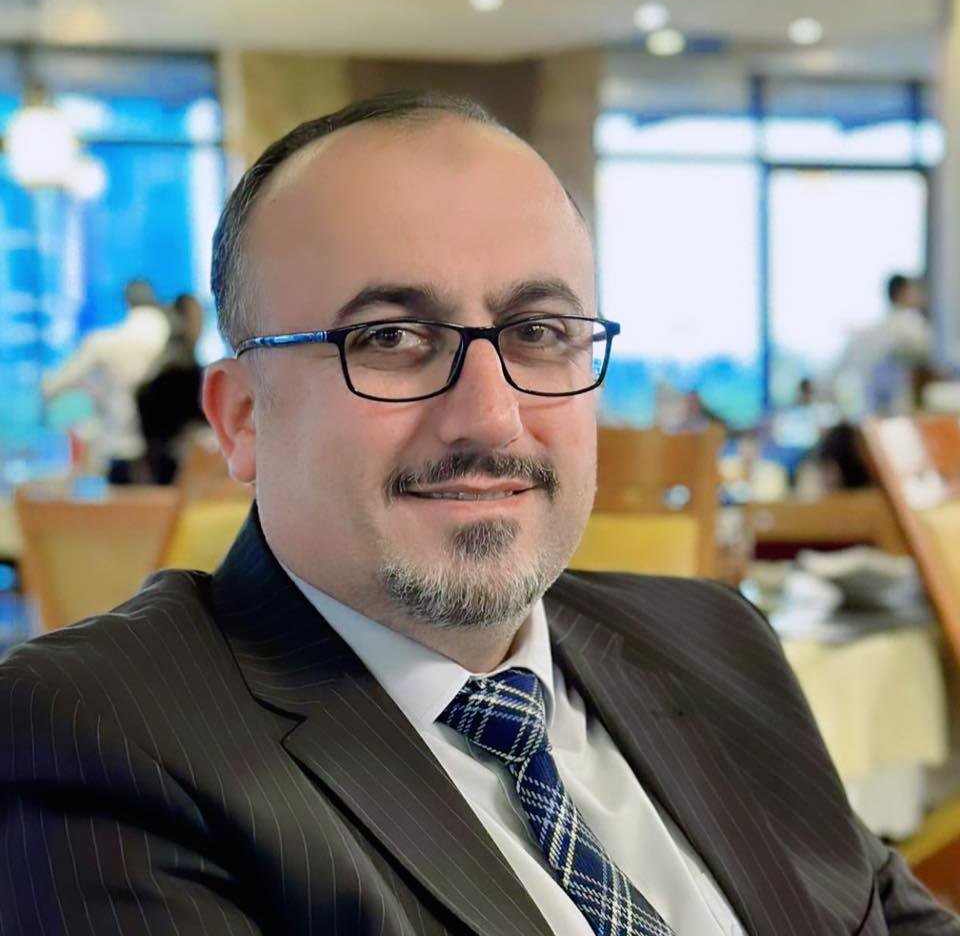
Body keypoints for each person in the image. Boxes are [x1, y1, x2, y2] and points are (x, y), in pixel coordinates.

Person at [1, 93, 956, 936]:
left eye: (538, 332)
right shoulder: (97, 739)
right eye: (390, 338)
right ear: (242, 417)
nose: (491, 417)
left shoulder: (712, 639)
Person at [42, 277, 170, 483]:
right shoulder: (171, 334)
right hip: (163, 447)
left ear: (127, 302)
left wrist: (45, 388)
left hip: (122, 442)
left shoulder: (106, 342)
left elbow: (62, 381)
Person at [834, 273, 933, 419]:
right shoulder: (911, 324)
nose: (918, 295)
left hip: (875, 406)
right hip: (898, 402)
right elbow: (926, 353)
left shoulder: (877, 327)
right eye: (913, 290)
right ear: (903, 293)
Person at [137, 292, 207, 484]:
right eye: (195, 318)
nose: (200, 325)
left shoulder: (169, 365)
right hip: (175, 466)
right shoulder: (176, 371)